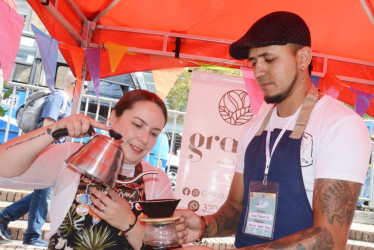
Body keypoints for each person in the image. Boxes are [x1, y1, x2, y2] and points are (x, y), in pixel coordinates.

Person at [175, 11, 371, 249]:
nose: (258, 71)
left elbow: (329, 238)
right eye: (254, 62)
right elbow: (237, 208)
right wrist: (205, 225)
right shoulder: (253, 128)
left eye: (269, 59)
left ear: (303, 58)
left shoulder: (340, 126)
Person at [0, 88, 174, 249]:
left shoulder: (156, 180)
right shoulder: (73, 156)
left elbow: (164, 244)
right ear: (113, 117)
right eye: (137, 125)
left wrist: (129, 223)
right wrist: (53, 130)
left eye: (154, 133)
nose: (144, 139)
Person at [0, 70, 76, 248]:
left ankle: (6, 217)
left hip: (54, 154)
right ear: (75, 84)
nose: (86, 88)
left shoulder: (67, 101)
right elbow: (48, 126)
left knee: (42, 194)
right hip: (47, 153)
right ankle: (31, 236)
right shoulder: (58, 97)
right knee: (43, 195)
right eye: (84, 85)